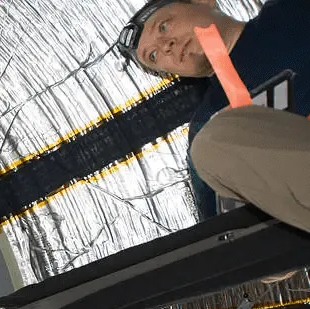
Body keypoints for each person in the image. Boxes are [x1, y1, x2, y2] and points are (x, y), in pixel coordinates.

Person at [116, 0, 309, 230]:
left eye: (163, 27)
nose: (165, 46)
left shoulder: (291, 10)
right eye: (154, 56)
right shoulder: (206, 130)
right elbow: (228, 236)